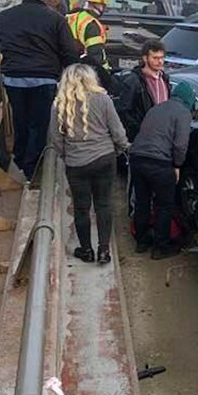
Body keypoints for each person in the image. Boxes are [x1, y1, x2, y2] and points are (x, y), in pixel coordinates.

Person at [0, 0, 79, 180]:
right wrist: (68, 76)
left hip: (14, 79)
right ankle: (33, 166)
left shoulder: (4, 16)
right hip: (44, 80)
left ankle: (20, 158)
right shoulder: (55, 19)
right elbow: (70, 52)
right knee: (39, 122)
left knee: (20, 118)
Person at [49, 64, 129, 264]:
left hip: (76, 164)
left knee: (81, 208)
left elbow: (56, 139)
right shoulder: (103, 100)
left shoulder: (59, 104)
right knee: (103, 204)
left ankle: (86, 250)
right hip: (104, 158)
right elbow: (118, 133)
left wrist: (68, 156)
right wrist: (118, 150)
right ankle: (104, 251)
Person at [128, 82, 195, 260]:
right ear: (189, 99)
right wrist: (177, 165)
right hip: (159, 163)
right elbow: (181, 145)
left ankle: (141, 242)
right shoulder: (183, 113)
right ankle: (160, 247)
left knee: (142, 201)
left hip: (136, 159)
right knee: (164, 206)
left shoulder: (156, 108)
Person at [117, 39, 170, 141]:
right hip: (142, 137)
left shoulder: (165, 79)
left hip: (162, 135)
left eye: (162, 58)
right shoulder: (133, 81)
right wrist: (140, 130)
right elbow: (124, 111)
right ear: (145, 58)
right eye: (155, 58)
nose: (160, 61)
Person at [67, 0, 115, 92]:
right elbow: (95, 53)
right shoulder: (92, 24)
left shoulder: (70, 16)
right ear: (97, 5)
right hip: (85, 70)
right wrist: (103, 75)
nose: (103, 9)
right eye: (103, 6)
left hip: (67, 67)